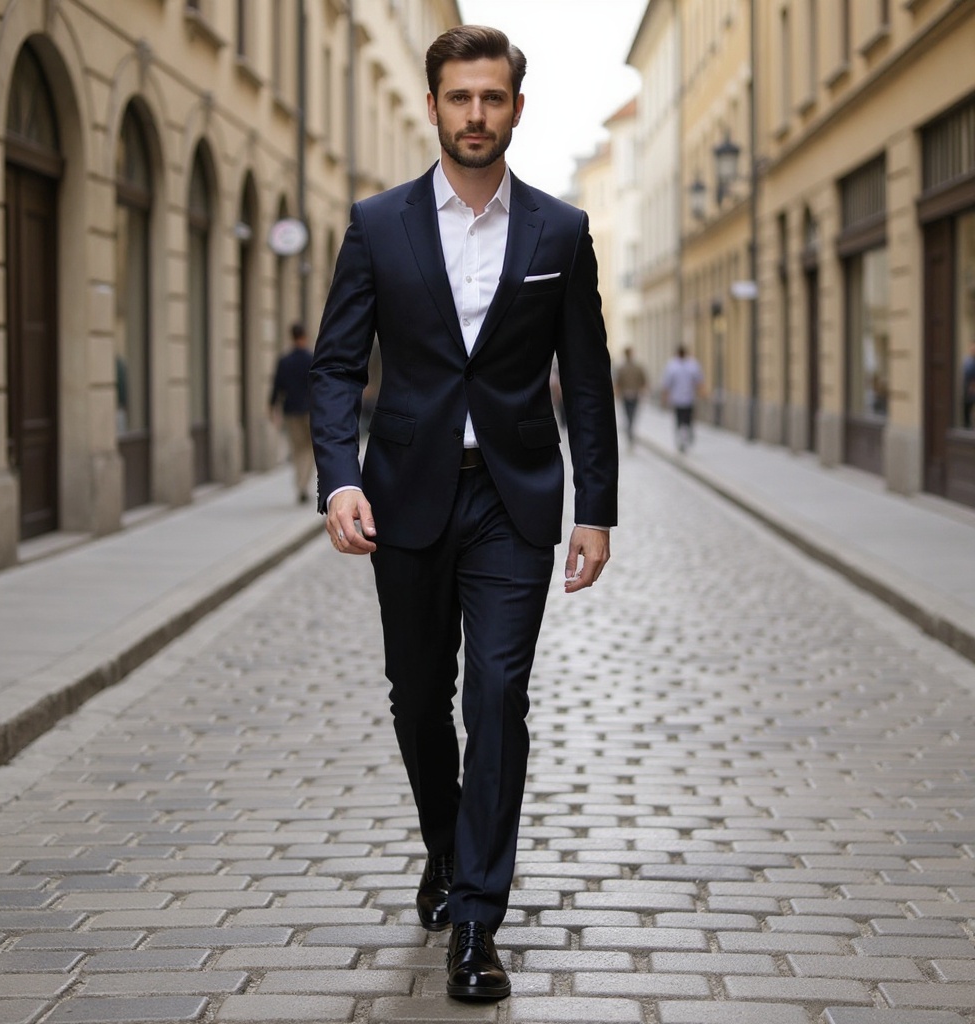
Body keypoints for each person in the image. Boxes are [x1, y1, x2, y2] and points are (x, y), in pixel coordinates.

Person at [309, 25, 618, 1002]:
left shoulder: (559, 233)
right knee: (416, 695)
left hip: (513, 495)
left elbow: (592, 380)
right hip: (403, 491)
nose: (475, 115)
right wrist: (338, 475)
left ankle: (477, 919)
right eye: (459, 99)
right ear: (435, 105)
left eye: (493, 98)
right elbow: (335, 365)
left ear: (516, 108)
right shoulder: (378, 224)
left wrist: (596, 509)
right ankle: (445, 849)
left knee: (495, 694)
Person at [269, 322, 314, 503]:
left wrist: (272, 407)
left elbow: (277, 386)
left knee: (297, 449)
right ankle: (304, 484)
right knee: (310, 448)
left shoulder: (284, 361)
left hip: (291, 411)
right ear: (304, 337)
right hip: (309, 411)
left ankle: (300, 485)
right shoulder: (311, 359)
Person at [661, 345, 703, 452]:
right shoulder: (682, 365)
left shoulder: (684, 365)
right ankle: (683, 438)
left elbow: (698, 381)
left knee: (685, 420)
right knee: (682, 420)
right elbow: (667, 383)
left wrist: (665, 397)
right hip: (680, 399)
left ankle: (685, 436)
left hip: (686, 398)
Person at [614, 346, 647, 446]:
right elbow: (643, 381)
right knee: (632, 414)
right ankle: (630, 430)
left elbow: (618, 383)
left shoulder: (622, 368)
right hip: (633, 394)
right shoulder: (637, 367)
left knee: (629, 414)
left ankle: (630, 430)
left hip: (626, 395)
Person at [963, 341, 975, 430]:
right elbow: (966, 373)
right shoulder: (967, 361)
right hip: (968, 388)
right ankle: (967, 427)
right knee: (967, 408)